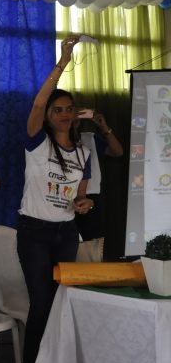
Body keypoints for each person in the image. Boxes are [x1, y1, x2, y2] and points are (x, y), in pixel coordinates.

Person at [17, 35, 93, 363]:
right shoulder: (37, 142)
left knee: (62, 301)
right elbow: (37, 101)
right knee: (42, 301)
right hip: (34, 233)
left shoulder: (83, 152)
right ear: (48, 115)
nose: (64, 114)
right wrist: (63, 62)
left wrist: (85, 204)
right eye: (57, 109)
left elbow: (82, 197)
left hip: (65, 234)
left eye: (69, 109)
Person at [73, 109, 123, 261]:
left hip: (90, 198)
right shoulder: (53, 139)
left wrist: (104, 127)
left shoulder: (90, 138)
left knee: (90, 247)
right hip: (62, 198)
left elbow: (118, 152)